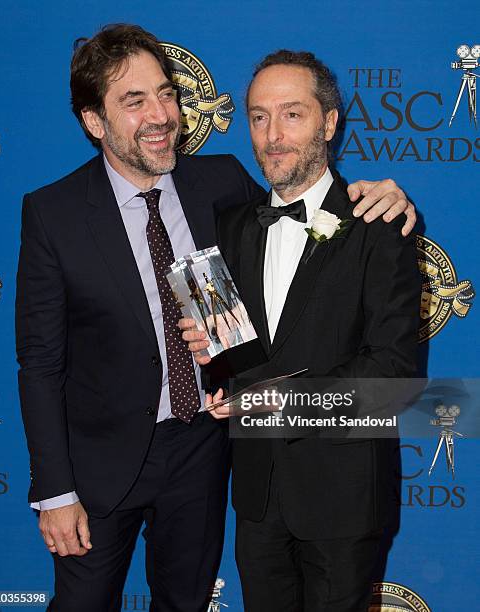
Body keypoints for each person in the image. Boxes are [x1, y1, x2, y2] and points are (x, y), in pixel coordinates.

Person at [15, 23, 416, 612]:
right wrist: (54, 490)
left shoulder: (221, 183)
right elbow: (40, 363)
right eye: (135, 101)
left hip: (204, 455)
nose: (161, 115)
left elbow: (305, 201)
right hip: (100, 467)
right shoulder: (53, 213)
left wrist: (383, 195)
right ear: (94, 122)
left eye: (167, 94)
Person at [181, 50, 421, 611]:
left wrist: (271, 399)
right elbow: (233, 363)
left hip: (342, 497)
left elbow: (391, 373)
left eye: (292, 114)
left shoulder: (379, 226)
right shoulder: (229, 225)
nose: (272, 135)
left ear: (329, 123)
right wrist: (210, 364)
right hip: (257, 497)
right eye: (259, 117)